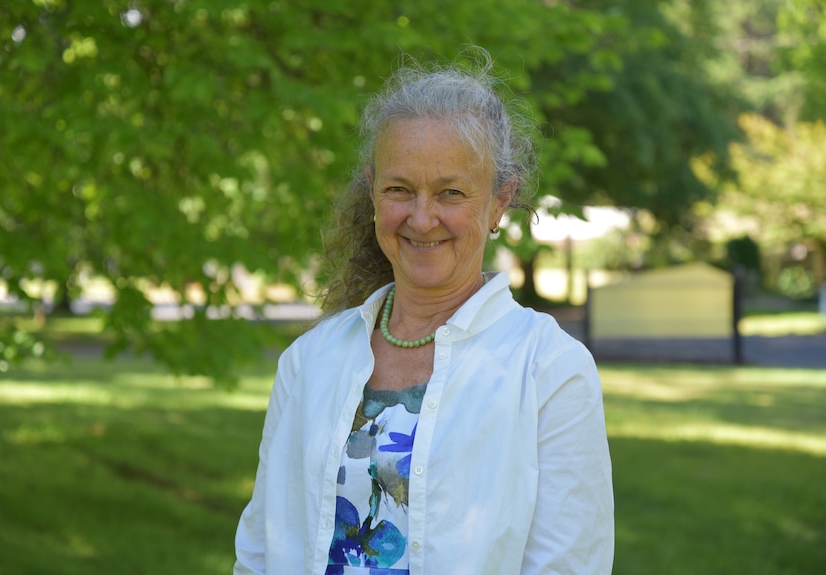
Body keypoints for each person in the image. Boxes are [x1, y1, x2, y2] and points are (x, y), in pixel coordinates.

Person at [234, 48, 614, 575]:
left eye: (451, 192)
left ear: (500, 201)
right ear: (372, 192)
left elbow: (570, 564)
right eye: (399, 189)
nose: (421, 217)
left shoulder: (548, 370)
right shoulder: (309, 360)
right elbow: (259, 549)